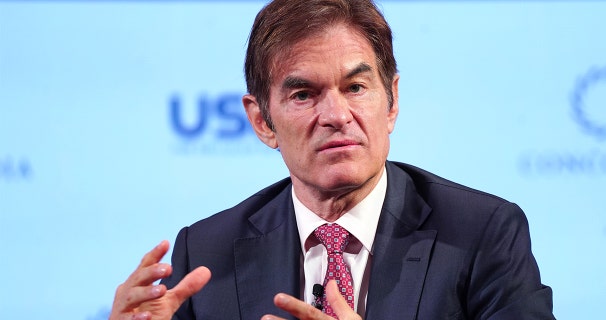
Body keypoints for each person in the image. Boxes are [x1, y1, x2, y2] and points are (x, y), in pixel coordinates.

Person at [110, 0, 555, 319]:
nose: (337, 116)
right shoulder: (206, 254)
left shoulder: (482, 234)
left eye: (356, 88)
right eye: (304, 94)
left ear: (392, 101)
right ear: (263, 121)